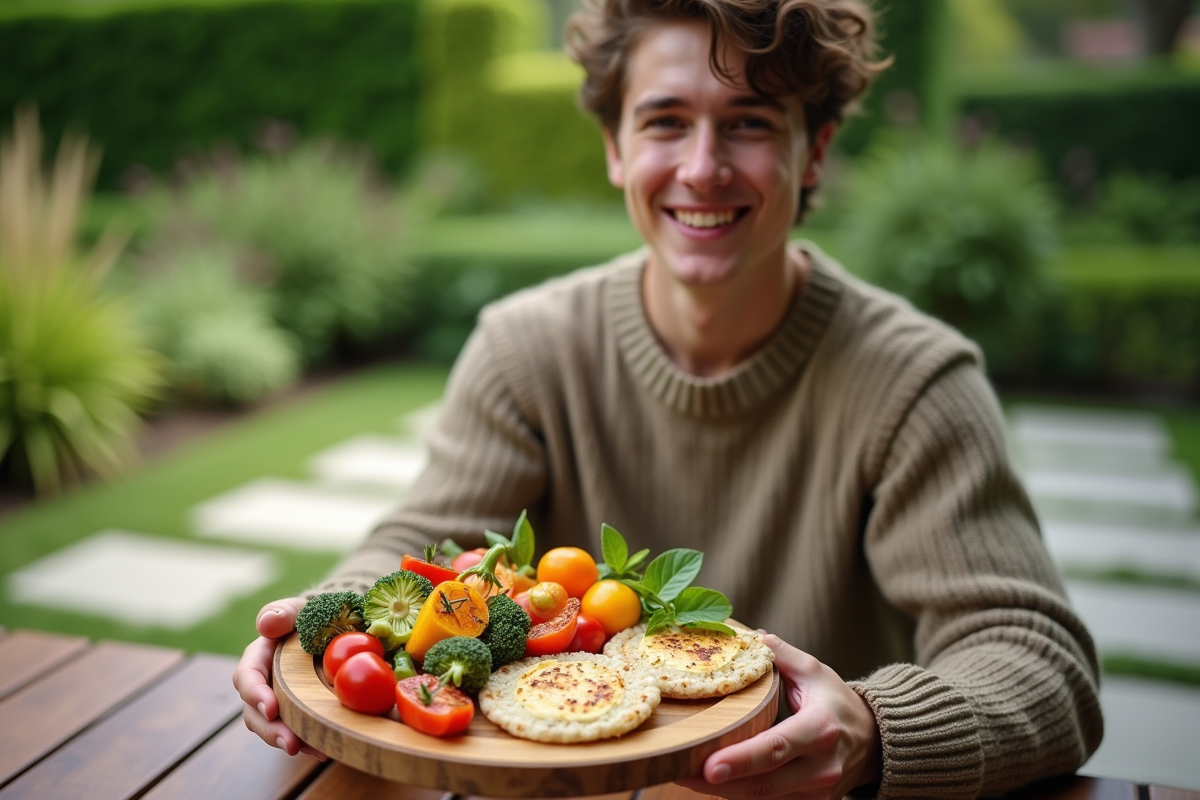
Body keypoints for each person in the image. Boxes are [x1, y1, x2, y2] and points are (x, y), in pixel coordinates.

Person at [234, 0, 1104, 796]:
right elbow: (419, 551)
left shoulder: (913, 382)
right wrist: (324, 623)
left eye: (750, 123)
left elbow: (1038, 661)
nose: (702, 167)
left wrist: (874, 729)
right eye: (665, 122)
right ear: (615, 146)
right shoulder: (527, 349)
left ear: (818, 150)